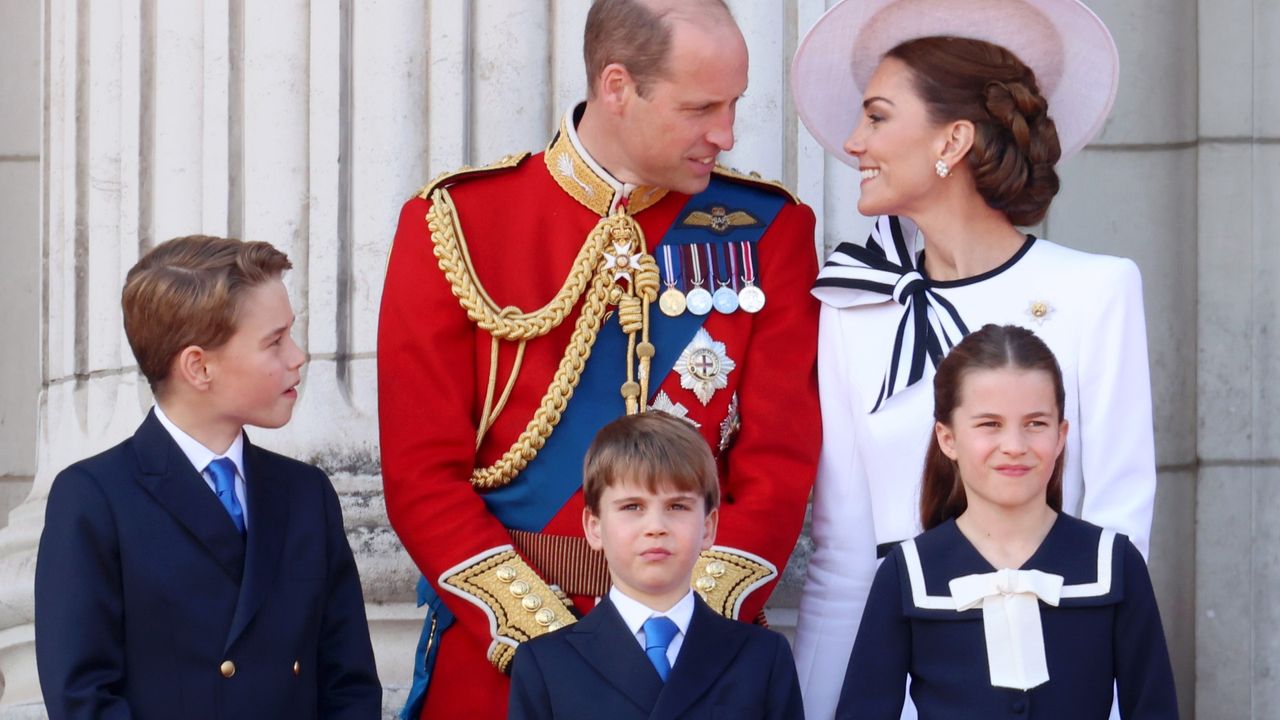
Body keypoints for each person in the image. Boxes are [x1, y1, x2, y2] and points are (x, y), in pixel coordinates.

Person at [377, 0, 820, 717]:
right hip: (507, 659)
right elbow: (422, 477)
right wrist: (555, 646)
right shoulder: (457, 223)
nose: (727, 133)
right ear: (617, 87)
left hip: (692, 663)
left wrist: (677, 626)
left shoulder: (768, 230)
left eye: (735, 105)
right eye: (701, 107)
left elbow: (778, 468)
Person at [788, 1, 1157, 717]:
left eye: (877, 116)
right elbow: (840, 559)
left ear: (952, 139)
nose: (853, 141)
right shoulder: (852, 307)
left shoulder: (1097, 290)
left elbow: (1118, 533)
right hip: (904, 686)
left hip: (1061, 678)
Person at [34, 236, 381, 719]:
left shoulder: (306, 495)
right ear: (198, 366)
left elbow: (350, 685)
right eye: (274, 341)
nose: (297, 356)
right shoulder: (94, 499)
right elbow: (83, 699)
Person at [835, 324, 1177, 719]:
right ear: (948, 439)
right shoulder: (907, 572)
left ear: (1061, 434)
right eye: (989, 424)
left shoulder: (1113, 564)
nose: (1015, 446)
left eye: (1036, 423)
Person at [508, 412, 804, 720]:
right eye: (632, 507)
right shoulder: (546, 664)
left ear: (708, 527)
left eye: (677, 506)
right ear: (594, 527)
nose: (656, 527)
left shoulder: (762, 658)